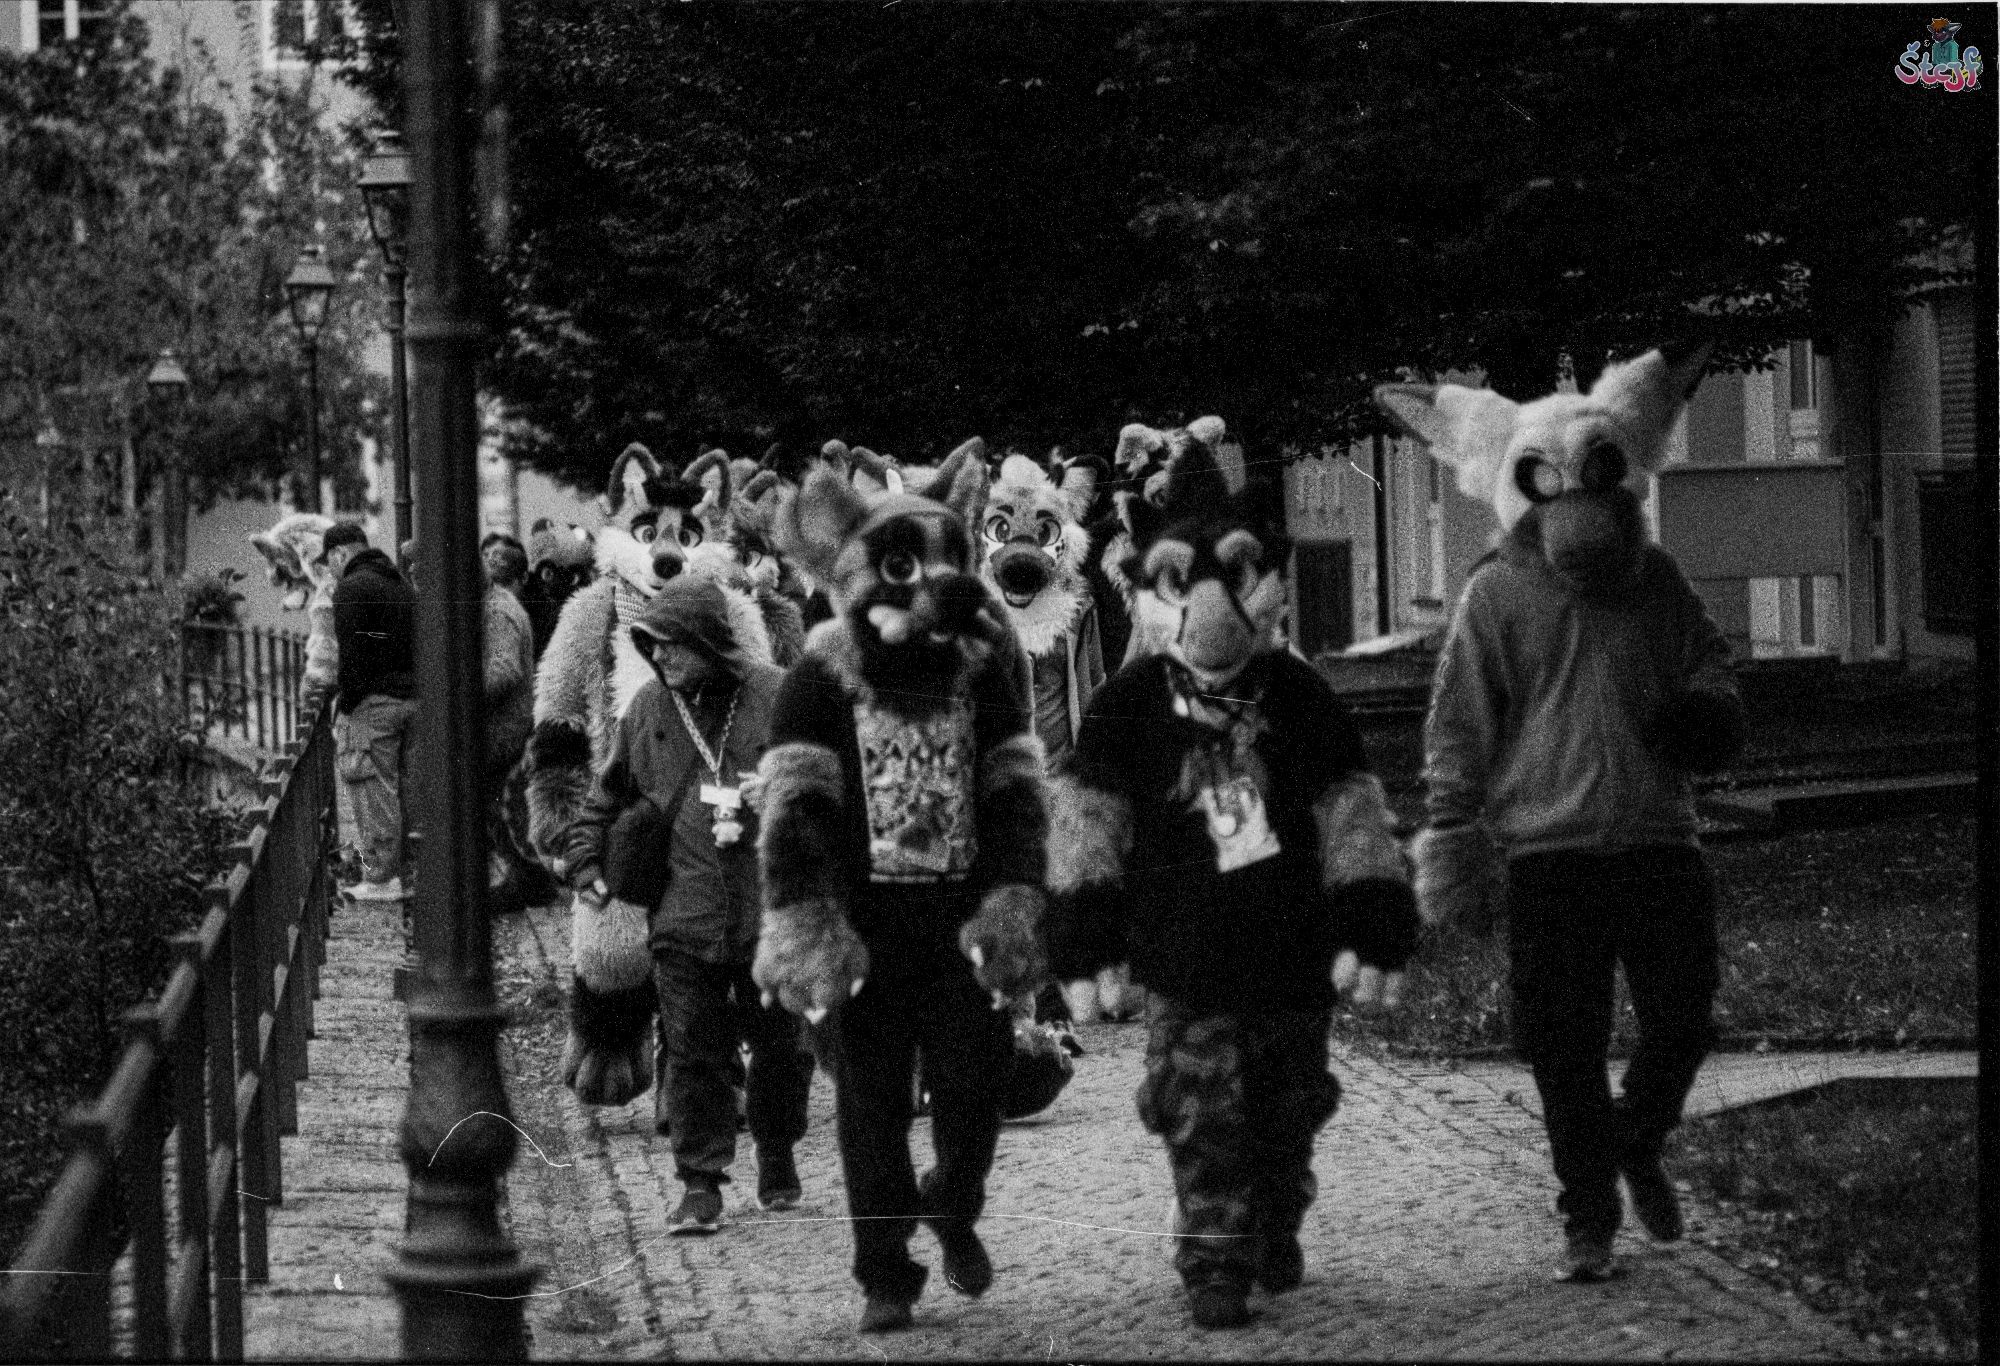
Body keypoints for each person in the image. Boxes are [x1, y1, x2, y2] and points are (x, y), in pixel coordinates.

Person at [556, 575, 812, 1231]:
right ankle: (700, 1184)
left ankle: (778, 1147)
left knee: (781, 1049)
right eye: (650, 643)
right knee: (694, 1055)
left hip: (769, 914)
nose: (658, 657)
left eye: (670, 644)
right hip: (683, 917)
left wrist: (783, 794)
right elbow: (603, 800)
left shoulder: (776, 695)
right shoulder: (646, 710)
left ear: (708, 642)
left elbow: (824, 783)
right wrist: (585, 862)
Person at [323, 522, 418, 901]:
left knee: (370, 787)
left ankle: (380, 877)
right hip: (413, 699)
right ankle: (406, 874)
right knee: (407, 790)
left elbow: (353, 654)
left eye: (327, 563)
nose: (329, 571)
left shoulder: (351, 587)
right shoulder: (399, 583)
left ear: (338, 555)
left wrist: (344, 704)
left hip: (374, 704)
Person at [484, 541, 546, 913]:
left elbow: (505, 671)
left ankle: (525, 881)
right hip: (504, 725)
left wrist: (459, 692)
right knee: (497, 809)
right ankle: (523, 880)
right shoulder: (498, 606)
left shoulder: (498, 611)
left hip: (502, 727)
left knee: (498, 809)